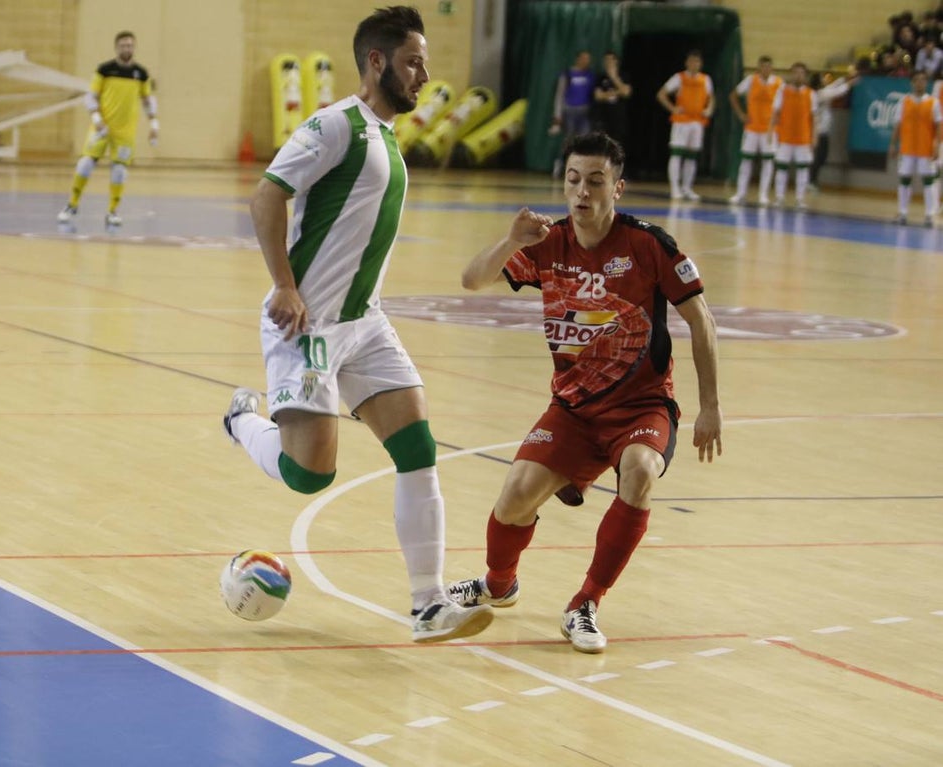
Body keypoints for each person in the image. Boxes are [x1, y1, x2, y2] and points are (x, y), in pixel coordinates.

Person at [222, 5, 494, 644]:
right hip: (309, 325)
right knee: (310, 474)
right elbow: (266, 196)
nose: (424, 74)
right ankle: (242, 420)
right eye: (413, 62)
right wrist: (285, 287)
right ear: (377, 62)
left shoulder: (387, 135)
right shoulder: (335, 125)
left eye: (424, 62)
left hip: (365, 323)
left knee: (418, 449)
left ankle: (428, 605)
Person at [446, 132, 722, 653]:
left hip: (642, 405)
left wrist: (710, 405)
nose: (582, 191)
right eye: (573, 180)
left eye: (595, 181)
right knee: (514, 497)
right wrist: (510, 239)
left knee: (640, 472)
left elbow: (701, 320)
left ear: (618, 188)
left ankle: (585, 604)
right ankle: (498, 586)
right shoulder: (547, 243)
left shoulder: (648, 245)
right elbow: (470, 279)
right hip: (572, 408)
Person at [57, 31, 159, 232]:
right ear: (116, 47)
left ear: (134, 47)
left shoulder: (141, 74)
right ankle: (72, 205)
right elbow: (91, 96)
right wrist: (97, 120)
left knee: (120, 170)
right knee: (85, 164)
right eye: (123, 45)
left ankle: (113, 211)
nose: (126, 49)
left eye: (130, 45)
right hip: (101, 128)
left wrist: (154, 126)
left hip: (125, 133)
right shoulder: (104, 70)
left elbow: (148, 100)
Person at [657, 50, 714, 201]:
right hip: (681, 121)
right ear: (687, 63)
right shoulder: (679, 78)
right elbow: (661, 94)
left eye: (697, 62)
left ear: (700, 64)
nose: (694, 64)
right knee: (677, 154)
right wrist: (673, 108)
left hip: (697, 122)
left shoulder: (706, 79)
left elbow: (712, 98)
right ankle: (675, 188)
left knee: (692, 156)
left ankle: (687, 188)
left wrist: (709, 109)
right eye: (692, 61)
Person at [889, 69, 942, 226]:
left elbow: (939, 125)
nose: (920, 83)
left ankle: (929, 215)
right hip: (907, 148)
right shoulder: (904, 101)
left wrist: (937, 144)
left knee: (928, 181)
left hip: (925, 148)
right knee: (904, 179)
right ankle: (903, 213)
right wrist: (893, 144)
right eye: (917, 80)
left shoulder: (934, 102)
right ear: (912, 82)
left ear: (926, 83)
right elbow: (898, 125)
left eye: (923, 80)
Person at [728, 56, 783, 206]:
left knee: (767, 162)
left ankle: (763, 195)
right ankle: (740, 193)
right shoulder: (751, 80)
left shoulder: (778, 83)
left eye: (768, 66)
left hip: (769, 129)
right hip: (752, 128)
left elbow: (784, 104)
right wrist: (741, 114)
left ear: (772, 68)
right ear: (759, 68)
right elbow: (733, 95)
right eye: (763, 66)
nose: (765, 69)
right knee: (746, 160)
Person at [768, 62, 818, 208]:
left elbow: (814, 118)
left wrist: (814, 137)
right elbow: (775, 113)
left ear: (805, 75)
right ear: (791, 74)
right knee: (782, 169)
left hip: (803, 138)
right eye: (796, 72)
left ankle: (800, 199)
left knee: (802, 170)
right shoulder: (782, 91)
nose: (798, 75)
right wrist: (770, 132)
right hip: (785, 137)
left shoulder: (811, 94)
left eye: (801, 73)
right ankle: (779, 198)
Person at [810, 67, 859, 192]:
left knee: (821, 157)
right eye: (822, 79)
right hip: (818, 131)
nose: (825, 80)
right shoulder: (818, 94)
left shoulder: (822, 91)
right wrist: (849, 83)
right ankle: (810, 181)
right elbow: (836, 92)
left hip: (823, 131)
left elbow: (832, 87)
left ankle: (812, 180)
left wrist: (845, 78)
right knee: (819, 157)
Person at [548, 50, 596, 177]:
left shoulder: (590, 76)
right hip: (569, 111)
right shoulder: (568, 74)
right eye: (584, 58)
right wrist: (557, 115)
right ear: (578, 59)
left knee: (585, 141)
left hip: (584, 111)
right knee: (569, 141)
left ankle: (582, 169)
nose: (587, 61)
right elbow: (559, 95)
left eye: (588, 59)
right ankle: (561, 165)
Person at [592, 52, 633, 148]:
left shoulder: (624, 76)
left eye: (611, 59)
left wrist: (614, 78)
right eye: (606, 60)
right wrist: (617, 92)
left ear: (616, 61)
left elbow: (626, 93)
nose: (608, 62)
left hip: (618, 118)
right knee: (600, 145)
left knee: (615, 146)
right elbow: (598, 96)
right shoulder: (600, 77)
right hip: (603, 117)